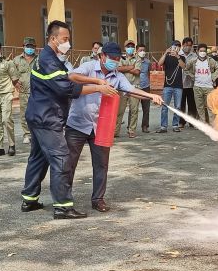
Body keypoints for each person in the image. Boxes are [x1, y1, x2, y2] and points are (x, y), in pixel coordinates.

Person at [21, 20, 115, 219]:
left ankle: (29, 199)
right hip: (47, 118)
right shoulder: (48, 60)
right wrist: (99, 88)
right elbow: (67, 88)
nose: (68, 43)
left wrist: (96, 80)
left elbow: (69, 78)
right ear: (53, 39)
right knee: (61, 158)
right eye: (65, 39)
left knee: (38, 158)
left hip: (39, 116)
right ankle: (63, 207)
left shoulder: (49, 58)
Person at [66, 42, 163, 211]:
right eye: (112, 58)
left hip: (101, 126)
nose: (115, 62)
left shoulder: (117, 75)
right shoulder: (88, 66)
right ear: (102, 56)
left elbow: (131, 89)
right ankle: (64, 200)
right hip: (77, 124)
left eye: (118, 59)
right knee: (69, 164)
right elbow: (71, 76)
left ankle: (98, 199)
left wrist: (151, 95)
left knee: (102, 164)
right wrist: (97, 82)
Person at [186, 44, 218, 124]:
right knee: (200, 107)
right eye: (201, 51)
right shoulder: (193, 61)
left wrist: (213, 77)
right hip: (197, 87)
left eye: (204, 51)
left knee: (210, 106)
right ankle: (203, 124)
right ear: (197, 51)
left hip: (209, 87)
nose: (202, 52)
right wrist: (192, 76)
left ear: (207, 52)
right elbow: (186, 69)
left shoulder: (211, 60)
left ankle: (212, 124)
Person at [156, 41, 186, 133]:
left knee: (177, 106)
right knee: (165, 106)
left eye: (178, 46)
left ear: (180, 48)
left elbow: (184, 66)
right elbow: (159, 64)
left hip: (178, 86)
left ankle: (175, 125)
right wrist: (165, 53)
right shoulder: (167, 56)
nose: (176, 48)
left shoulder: (182, 57)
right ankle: (163, 126)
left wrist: (177, 56)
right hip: (167, 85)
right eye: (174, 46)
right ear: (171, 47)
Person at [13, 37, 37, 145]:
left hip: (37, 91)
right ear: (23, 47)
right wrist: (15, 82)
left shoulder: (39, 59)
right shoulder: (17, 60)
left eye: (32, 47)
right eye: (28, 46)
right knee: (25, 114)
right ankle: (27, 134)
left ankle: (36, 134)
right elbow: (12, 73)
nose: (30, 49)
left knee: (37, 113)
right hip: (23, 92)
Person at [114, 40, 141, 138]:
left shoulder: (138, 58)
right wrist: (130, 67)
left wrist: (125, 68)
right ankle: (115, 131)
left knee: (134, 110)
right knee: (119, 110)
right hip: (122, 88)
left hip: (134, 87)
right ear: (125, 48)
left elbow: (137, 71)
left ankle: (131, 130)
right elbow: (118, 69)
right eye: (128, 46)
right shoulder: (120, 57)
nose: (130, 48)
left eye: (132, 46)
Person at [178, 37, 198, 130]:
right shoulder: (177, 54)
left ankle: (192, 121)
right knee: (181, 104)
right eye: (186, 45)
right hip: (180, 83)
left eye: (190, 45)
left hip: (191, 83)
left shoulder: (194, 56)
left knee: (192, 104)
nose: (188, 47)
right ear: (183, 45)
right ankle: (181, 122)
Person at [135, 43, 152, 133]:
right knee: (134, 108)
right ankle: (131, 128)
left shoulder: (148, 62)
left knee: (146, 108)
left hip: (146, 86)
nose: (142, 52)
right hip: (136, 87)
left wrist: (149, 83)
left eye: (144, 50)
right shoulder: (133, 61)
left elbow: (148, 73)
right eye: (140, 50)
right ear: (136, 51)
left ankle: (145, 126)